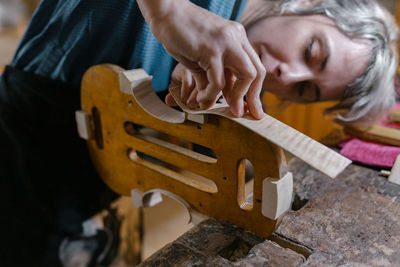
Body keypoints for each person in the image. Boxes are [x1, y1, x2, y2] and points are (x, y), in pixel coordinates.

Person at [0, 0, 396, 266]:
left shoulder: (228, 70)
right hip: (30, 124)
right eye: (312, 51)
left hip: (90, 170)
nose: (287, 75)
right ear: (308, 4)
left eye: (304, 90)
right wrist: (170, 12)